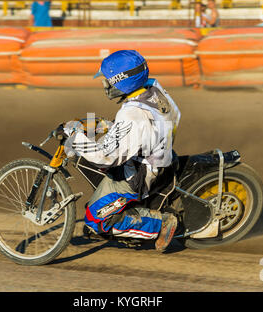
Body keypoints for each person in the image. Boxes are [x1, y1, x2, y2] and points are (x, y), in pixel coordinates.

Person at [63, 50, 181, 252]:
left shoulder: (131, 114)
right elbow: (135, 129)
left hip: (138, 174)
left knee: (95, 220)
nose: (105, 85)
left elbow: (105, 158)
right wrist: (97, 125)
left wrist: (74, 137)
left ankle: (161, 222)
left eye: (108, 80)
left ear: (121, 81)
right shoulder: (153, 87)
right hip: (160, 152)